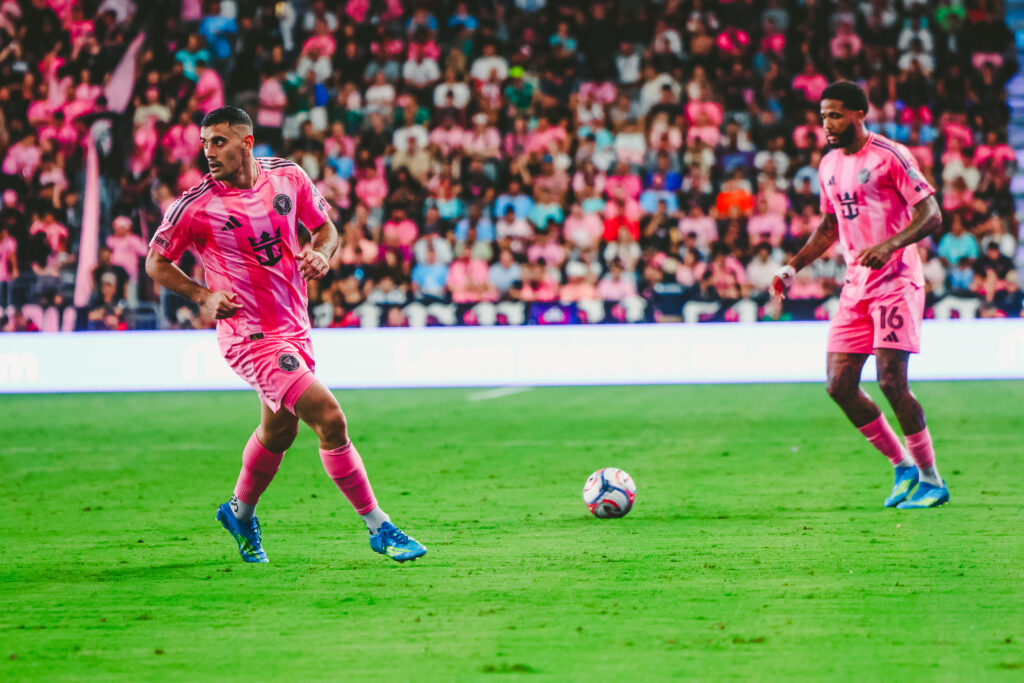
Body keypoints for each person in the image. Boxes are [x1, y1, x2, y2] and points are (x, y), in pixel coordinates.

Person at [145, 107, 426, 563]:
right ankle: (380, 527)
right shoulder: (195, 205)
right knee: (330, 418)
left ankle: (239, 512)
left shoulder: (288, 177)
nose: (208, 152)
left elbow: (325, 228)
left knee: (278, 433)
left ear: (247, 143)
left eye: (218, 141)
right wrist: (202, 296)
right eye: (204, 143)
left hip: (294, 327)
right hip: (249, 336)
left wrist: (322, 254)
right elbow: (155, 262)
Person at [771, 82, 949, 509]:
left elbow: (931, 214)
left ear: (858, 114)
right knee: (839, 385)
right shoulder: (829, 165)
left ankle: (932, 479)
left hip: (896, 282)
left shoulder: (890, 155)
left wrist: (890, 245)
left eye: (835, 115)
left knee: (891, 380)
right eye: (823, 116)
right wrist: (792, 267)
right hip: (856, 287)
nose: (827, 124)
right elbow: (829, 226)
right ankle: (903, 466)